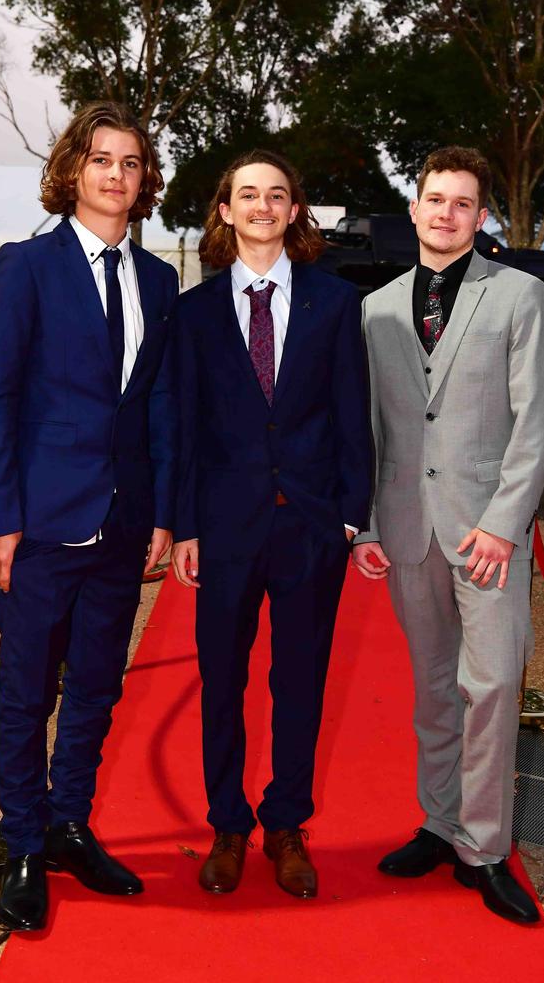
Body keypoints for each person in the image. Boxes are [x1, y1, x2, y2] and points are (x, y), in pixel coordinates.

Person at [0, 102, 178, 931]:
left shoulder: (159, 280)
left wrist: (160, 511)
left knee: (94, 689)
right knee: (25, 695)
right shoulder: (25, 266)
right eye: (102, 160)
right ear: (72, 171)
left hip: (124, 525)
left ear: (143, 180)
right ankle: (22, 844)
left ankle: (67, 825)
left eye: (130, 163)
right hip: (41, 522)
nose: (116, 176)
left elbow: (156, 403)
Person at [353, 145, 544, 924]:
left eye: (462, 203)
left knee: (494, 686)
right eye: (434, 199)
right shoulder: (373, 310)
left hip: (487, 536)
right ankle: (439, 826)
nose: (446, 213)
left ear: (481, 217)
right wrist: (367, 526)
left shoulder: (518, 297)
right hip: (408, 531)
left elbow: (535, 425)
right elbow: (370, 432)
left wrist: (504, 526)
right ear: (414, 209)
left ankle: (485, 847)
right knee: (435, 690)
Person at [171, 149, 372, 899]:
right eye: (246, 194)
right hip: (224, 528)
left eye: (276, 194)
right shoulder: (191, 312)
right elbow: (184, 426)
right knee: (221, 682)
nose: (261, 205)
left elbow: (353, 414)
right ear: (224, 210)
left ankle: (287, 824)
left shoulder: (333, 302)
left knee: (301, 683)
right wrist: (184, 525)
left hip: (311, 528)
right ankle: (228, 823)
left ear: (295, 210)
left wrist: (353, 517)